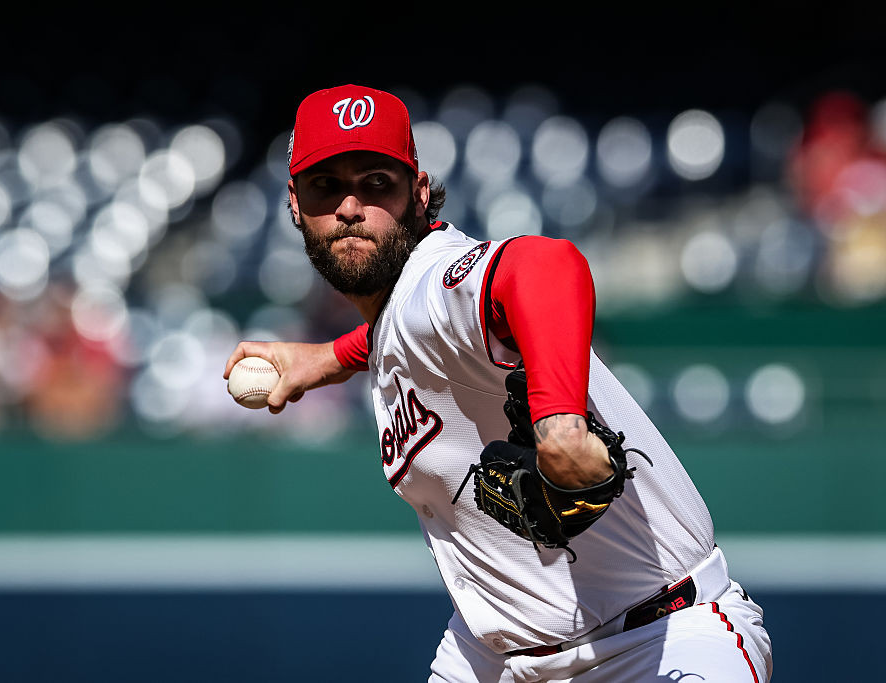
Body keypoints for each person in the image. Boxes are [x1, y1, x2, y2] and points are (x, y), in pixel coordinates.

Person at [224, 84, 772, 682]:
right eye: (326, 185)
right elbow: (398, 335)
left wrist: (559, 423)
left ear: (419, 193)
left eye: (377, 182)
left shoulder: (433, 282)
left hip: (656, 641)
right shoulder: (400, 318)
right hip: (496, 653)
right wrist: (331, 357)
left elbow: (545, 264)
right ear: (295, 203)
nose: (351, 206)